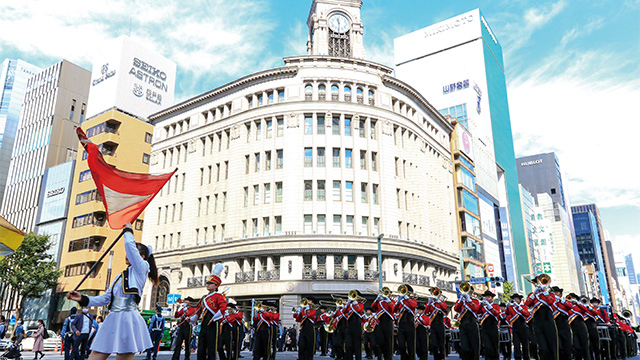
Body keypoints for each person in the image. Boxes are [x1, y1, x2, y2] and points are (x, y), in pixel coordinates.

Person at [65, 223, 158, 360]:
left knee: (123, 356)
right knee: (95, 355)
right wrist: (82, 299)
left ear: (142, 256)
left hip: (128, 318)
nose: (128, 254)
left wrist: (128, 230)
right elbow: (104, 298)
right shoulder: (120, 276)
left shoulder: (142, 269)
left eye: (133, 252)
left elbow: (130, 247)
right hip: (113, 317)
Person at [191, 264, 228, 360]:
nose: (208, 285)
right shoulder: (204, 297)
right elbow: (199, 309)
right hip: (203, 323)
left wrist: (214, 318)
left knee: (212, 346)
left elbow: (223, 308)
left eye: (210, 283)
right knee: (201, 346)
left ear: (216, 286)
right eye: (207, 283)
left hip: (213, 323)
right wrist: (192, 319)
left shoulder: (218, 296)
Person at [524, 275, 558, 360]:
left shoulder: (550, 294)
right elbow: (527, 304)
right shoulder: (532, 295)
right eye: (536, 282)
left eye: (539, 282)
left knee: (552, 345)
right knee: (543, 348)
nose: (538, 284)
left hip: (548, 320)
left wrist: (545, 291)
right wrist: (534, 293)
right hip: (537, 322)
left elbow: (550, 301)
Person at [453, 287, 480, 360]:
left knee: (474, 346)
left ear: (471, 292)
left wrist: (469, 300)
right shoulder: (460, 301)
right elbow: (456, 309)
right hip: (463, 325)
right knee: (464, 347)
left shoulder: (475, 301)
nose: (466, 293)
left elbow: (475, 308)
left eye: (467, 291)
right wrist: (461, 300)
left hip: (472, 324)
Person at [371, 288, 395, 360]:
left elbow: (393, 309)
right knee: (380, 341)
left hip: (388, 322)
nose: (385, 294)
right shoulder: (379, 302)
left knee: (388, 341)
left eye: (387, 293)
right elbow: (373, 307)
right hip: (380, 322)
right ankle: (379, 356)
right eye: (384, 293)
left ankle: (389, 357)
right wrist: (376, 299)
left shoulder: (392, 301)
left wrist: (388, 301)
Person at [394, 285, 417, 360]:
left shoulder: (413, 300)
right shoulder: (401, 301)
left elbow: (413, 305)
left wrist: (407, 299)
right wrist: (397, 302)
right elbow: (394, 310)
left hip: (410, 324)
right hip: (401, 325)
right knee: (401, 346)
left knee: (411, 345)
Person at [506, 294, 530, 360]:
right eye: (514, 299)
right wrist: (507, 306)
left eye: (517, 299)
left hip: (523, 326)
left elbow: (527, 314)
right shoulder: (511, 307)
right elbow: (507, 313)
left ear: (520, 300)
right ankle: (517, 357)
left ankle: (526, 357)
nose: (515, 300)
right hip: (515, 327)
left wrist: (520, 308)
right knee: (516, 344)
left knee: (525, 344)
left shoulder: (523, 307)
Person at [551, 287, 572, 360]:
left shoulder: (564, 301)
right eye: (554, 292)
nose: (556, 293)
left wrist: (561, 300)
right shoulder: (551, 303)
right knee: (559, 346)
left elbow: (570, 306)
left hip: (564, 323)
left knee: (567, 345)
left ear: (560, 293)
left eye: (557, 292)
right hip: (555, 323)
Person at [566, 294, 590, 360]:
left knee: (585, 345)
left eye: (573, 298)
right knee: (576, 346)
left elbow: (585, 309)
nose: (572, 299)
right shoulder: (568, 307)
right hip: (572, 327)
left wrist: (577, 303)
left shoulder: (579, 306)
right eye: (570, 298)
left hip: (581, 325)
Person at [479, 290, 500, 360]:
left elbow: (496, 313)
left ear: (492, 298)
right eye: (486, 297)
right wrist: (480, 304)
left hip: (493, 327)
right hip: (485, 328)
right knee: (487, 346)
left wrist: (488, 306)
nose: (487, 298)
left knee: (495, 345)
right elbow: (477, 311)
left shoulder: (496, 306)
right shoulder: (482, 306)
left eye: (488, 297)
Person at [425, 292, 447, 360]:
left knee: (441, 342)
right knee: (434, 343)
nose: (434, 295)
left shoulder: (440, 302)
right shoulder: (430, 304)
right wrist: (429, 303)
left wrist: (438, 301)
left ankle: (442, 355)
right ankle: (436, 357)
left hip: (440, 324)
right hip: (433, 325)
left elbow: (444, 307)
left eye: (435, 294)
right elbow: (426, 311)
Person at [344, 291, 364, 360]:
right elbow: (344, 311)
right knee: (348, 345)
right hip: (349, 325)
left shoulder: (360, 304)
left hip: (357, 325)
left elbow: (359, 310)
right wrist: (347, 303)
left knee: (357, 345)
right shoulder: (350, 304)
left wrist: (355, 303)